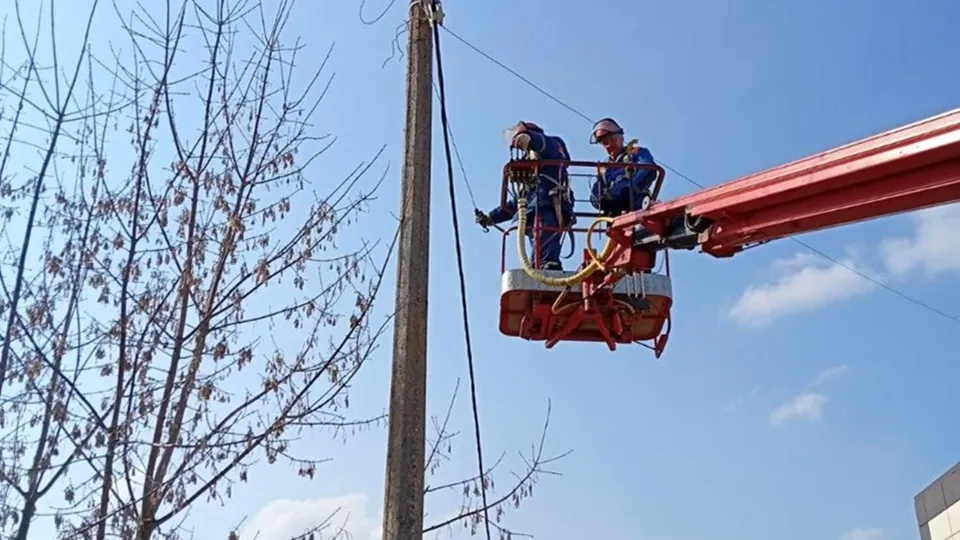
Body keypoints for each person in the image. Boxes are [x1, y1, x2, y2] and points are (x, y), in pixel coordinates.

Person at [475, 121, 575, 271]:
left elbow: (545, 144)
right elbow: (517, 202)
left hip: (548, 205)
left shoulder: (551, 145)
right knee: (538, 245)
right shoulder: (530, 170)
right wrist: (491, 218)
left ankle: (548, 265)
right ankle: (541, 265)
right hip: (534, 209)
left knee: (544, 239)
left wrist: (530, 137)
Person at [588, 117, 658, 216]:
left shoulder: (636, 153)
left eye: (612, 139)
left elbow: (646, 167)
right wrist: (599, 199)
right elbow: (596, 192)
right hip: (615, 210)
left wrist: (630, 186)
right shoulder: (605, 168)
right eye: (605, 142)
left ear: (621, 139)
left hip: (638, 202)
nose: (609, 145)